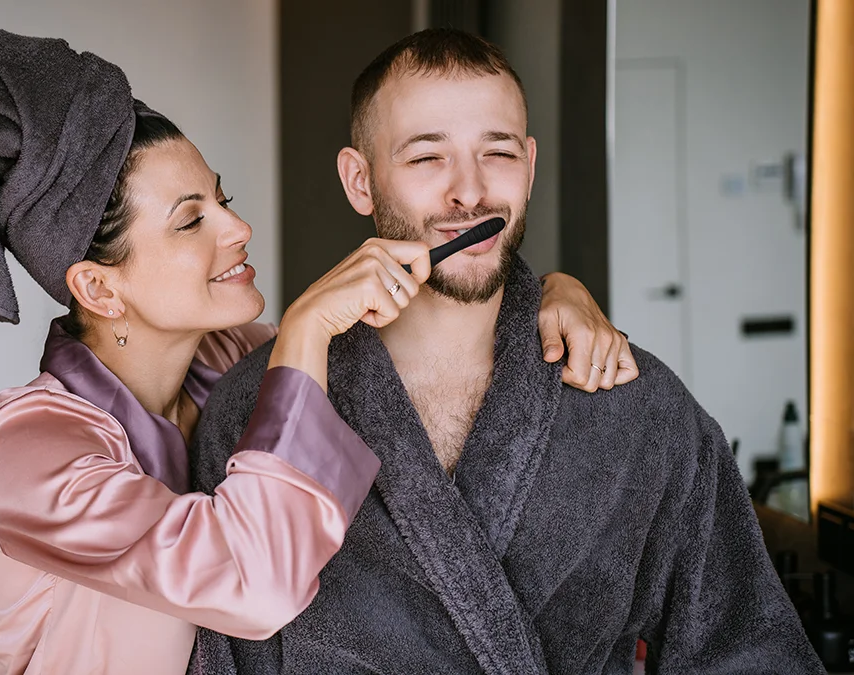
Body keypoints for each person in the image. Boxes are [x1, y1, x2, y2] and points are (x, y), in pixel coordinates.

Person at [0, 29, 638, 675]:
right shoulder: (30, 448)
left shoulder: (226, 362)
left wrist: (554, 291)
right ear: (98, 288)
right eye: (191, 220)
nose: (238, 230)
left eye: (223, 199)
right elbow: (255, 583)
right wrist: (302, 328)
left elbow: (406, 341)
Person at [189, 28, 824, 674]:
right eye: (427, 158)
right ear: (360, 181)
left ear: (530, 165)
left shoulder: (634, 403)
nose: (470, 192)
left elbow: (751, 646)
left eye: (497, 154)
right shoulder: (254, 415)